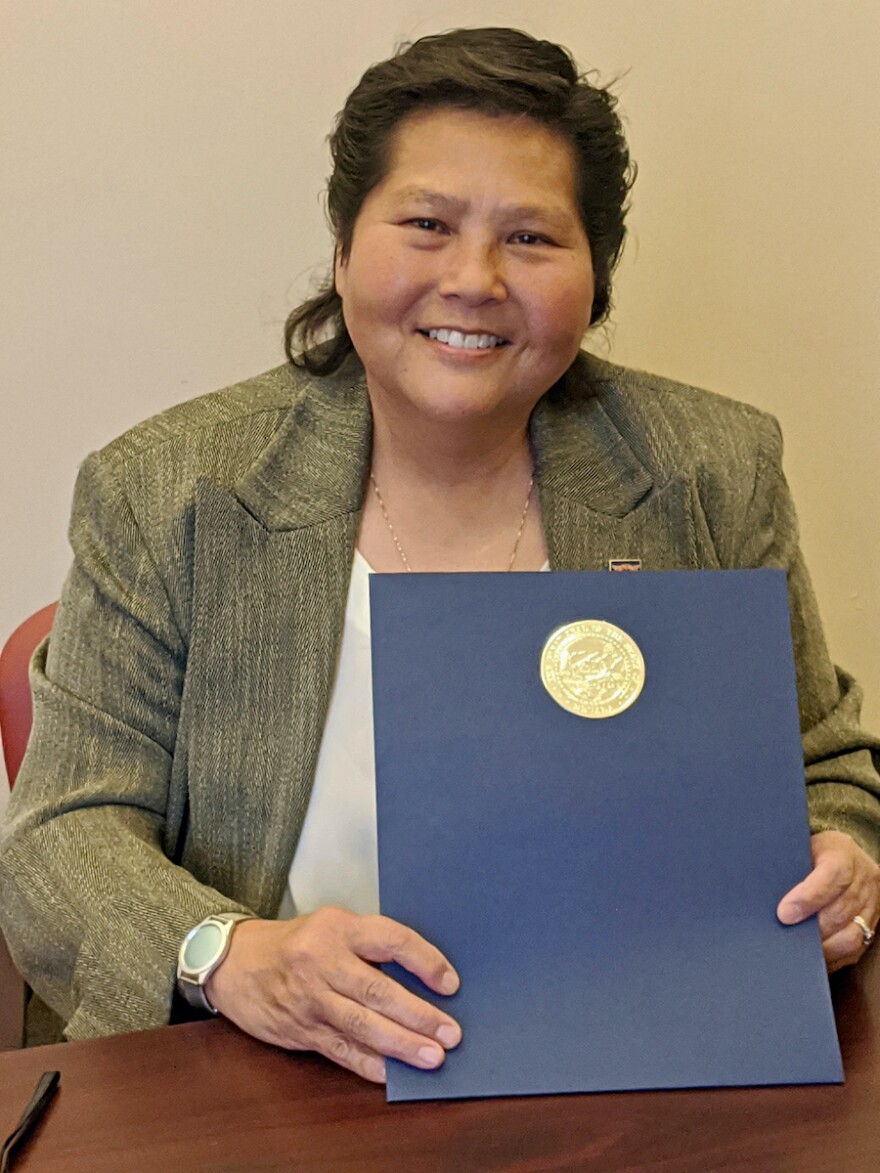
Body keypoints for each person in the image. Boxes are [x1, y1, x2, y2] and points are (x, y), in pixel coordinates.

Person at [1, 27, 878, 1082]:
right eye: (425, 223)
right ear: (341, 248)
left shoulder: (711, 468)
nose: (473, 279)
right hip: (261, 1081)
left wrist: (845, 864)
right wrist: (233, 955)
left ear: (593, 278)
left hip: (630, 1060)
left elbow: (824, 767)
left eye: (531, 239)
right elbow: (60, 836)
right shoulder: (167, 490)